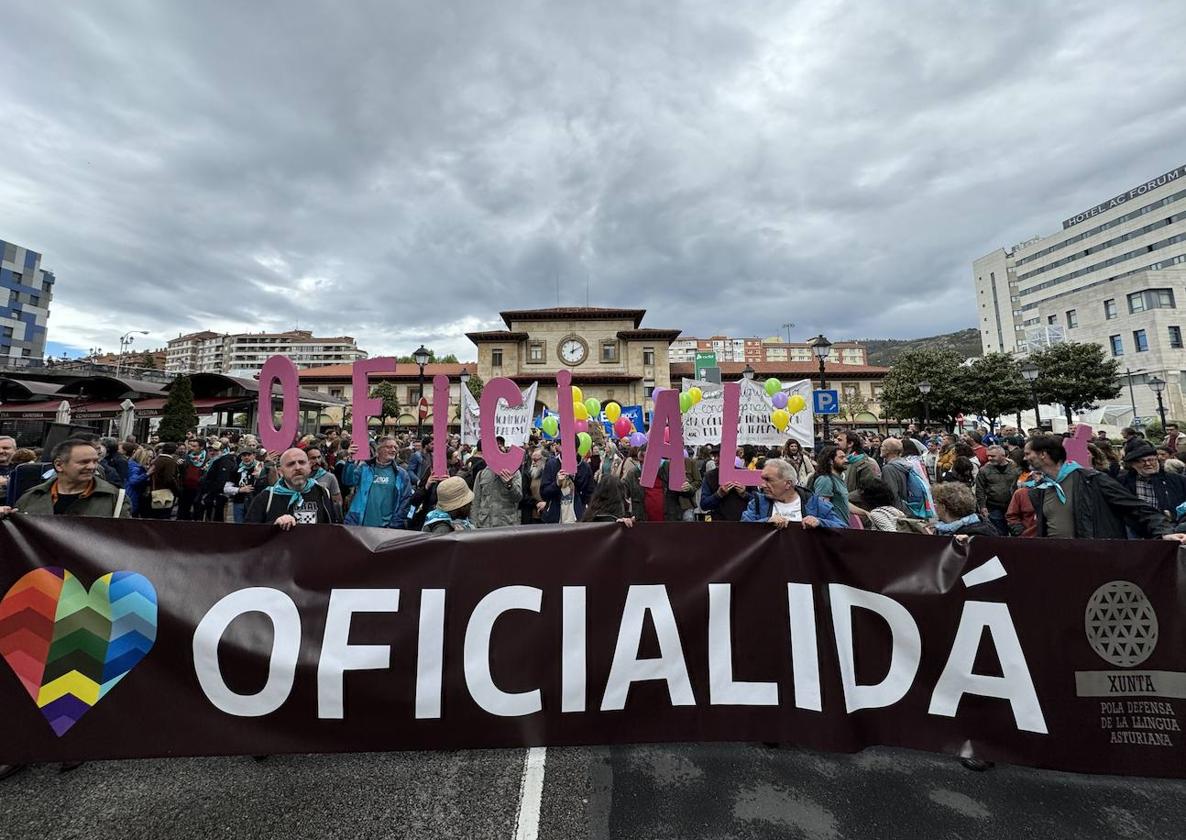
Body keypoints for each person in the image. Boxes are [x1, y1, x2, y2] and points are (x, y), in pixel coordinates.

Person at [1023, 436, 1184, 541]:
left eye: (1028, 453)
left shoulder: (1091, 479)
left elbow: (1136, 507)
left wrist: (1164, 532)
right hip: (1060, 561)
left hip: (1095, 558)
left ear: (1043, 454)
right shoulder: (1041, 489)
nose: (1025, 458)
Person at [0, 439, 131, 519]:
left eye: (95, 461)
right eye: (84, 462)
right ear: (59, 465)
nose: (92, 467)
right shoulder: (31, 497)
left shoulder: (115, 498)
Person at [245, 447, 340, 529]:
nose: (298, 467)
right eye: (291, 464)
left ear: (309, 467)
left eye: (302, 462)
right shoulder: (266, 497)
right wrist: (274, 525)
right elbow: (249, 533)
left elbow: (332, 529)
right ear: (281, 471)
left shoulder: (323, 493)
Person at [741, 458, 846, 528]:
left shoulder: (814, 502)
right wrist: (767, 522)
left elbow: (843, 527)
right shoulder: (757, 503)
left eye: (768, 480)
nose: (763, 485)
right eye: (763, 479)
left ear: (788, 484)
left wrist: (819, 522)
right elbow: (742, 530)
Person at [342, 436, 414, 528]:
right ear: (378, 450)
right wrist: (351, 460)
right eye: (388, 447)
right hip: (360, 526)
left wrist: (394, 525)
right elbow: (348, 481)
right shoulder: (364, 468)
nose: (393, 450)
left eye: (395, 447)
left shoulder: (401, 474)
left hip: (386, 529)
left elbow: (405, 501)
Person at [1119, 442, 1186, 520]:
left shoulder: (1177, 480)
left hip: (1173, 526)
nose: (1147, 463)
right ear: (1133, 464)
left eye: (1151, 460)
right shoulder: (1124, 482)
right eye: (1141, 461)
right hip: (1139, 526)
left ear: (1157, 459)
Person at [974, 445, 1021, 536]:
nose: (989, 458)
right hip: (994, 506)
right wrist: (982, 506)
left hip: (1013, 506)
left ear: (1003, 456)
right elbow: (980, 489)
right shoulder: (984, 470)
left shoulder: (1015, 468)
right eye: (988, 456)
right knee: (999, 534)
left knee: (1016, 532)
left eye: (993, 456)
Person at [471, 450, 524, 529]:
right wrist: (473, 524)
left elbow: (518, 498)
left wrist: (510, 485)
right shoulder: (482, 474)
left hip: (506, 524)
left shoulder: (514, 472)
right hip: (485, 524)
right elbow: (476, 501)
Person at [540, 448, 593, 524]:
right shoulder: (551, 464)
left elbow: (589, 494)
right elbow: (544, 494)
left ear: (577, 450)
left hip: (577, 519)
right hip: (555, 519)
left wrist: (575, 477)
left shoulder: (584, 467)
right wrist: (557, 484)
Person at [931, 483, 999, 537]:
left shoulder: (975, 536)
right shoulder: (943, 529)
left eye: (936, 503)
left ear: (943, 507)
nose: (935, 506)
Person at [809, 446, 854, 525]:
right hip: (833, 530)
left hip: (841, 528)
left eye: (845, 457)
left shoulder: (838, 478)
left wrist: (865, 513)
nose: (846, 460)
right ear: (830, 461)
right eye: (841, 458)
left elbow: (844, 503)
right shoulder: (825, 480)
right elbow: (822, 510)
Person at [836, 431, 879, 509]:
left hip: (859, 508)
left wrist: (845, 497)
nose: (836, 442)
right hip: (845, 507)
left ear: (850, 443)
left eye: (840, 440)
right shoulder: (844, 461)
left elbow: (869, 489)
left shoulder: (866, 463)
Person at [229, 448, 266, 523]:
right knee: (239, 528)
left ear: (254, 456)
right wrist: (239, 490)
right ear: (241, 457)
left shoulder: (260, 468)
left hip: (255, 502)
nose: (246, 457)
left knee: (253, 526)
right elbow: (226, 488)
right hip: (239, 502)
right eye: (244, 455)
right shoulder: (236, 470)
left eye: (249, 455)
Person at [306, 446, 344, 518]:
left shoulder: (329, 477)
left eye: (319, 457)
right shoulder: (299, 479)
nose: (317, 461)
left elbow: (337, 502)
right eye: (313, 458)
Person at [178, 439, 208, 520]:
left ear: (201, 447)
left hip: (199, 488)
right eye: (191, 446)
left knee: (198, 510)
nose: (191, 448)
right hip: (186, 488)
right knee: (184, 510)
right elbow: (182, 471)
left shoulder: (207, 458)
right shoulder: (187, 456)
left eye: (194, 446)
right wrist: (179, 465)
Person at [0, 435, 18, 501]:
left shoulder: (23, 469)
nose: (1, 451)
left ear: (15, 450)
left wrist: (8, 483)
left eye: (5, 448)